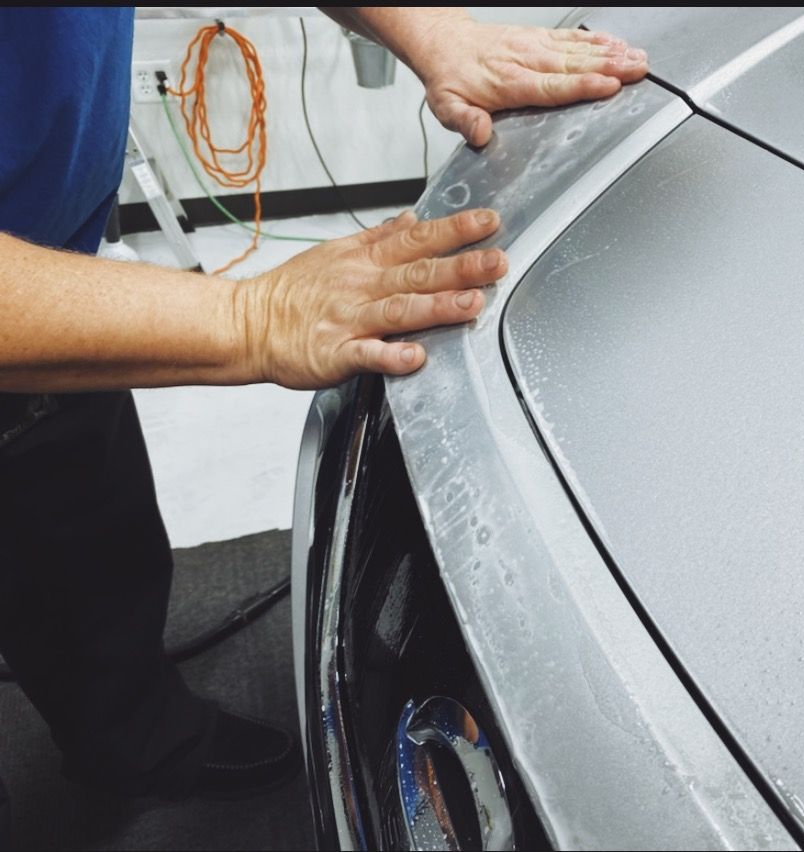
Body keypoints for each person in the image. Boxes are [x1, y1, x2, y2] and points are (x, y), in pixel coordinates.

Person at [0, 5, 647, 839]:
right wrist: (251, 319)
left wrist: (423, 26)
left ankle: (137, 744)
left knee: (91, 548)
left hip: (56, 285)